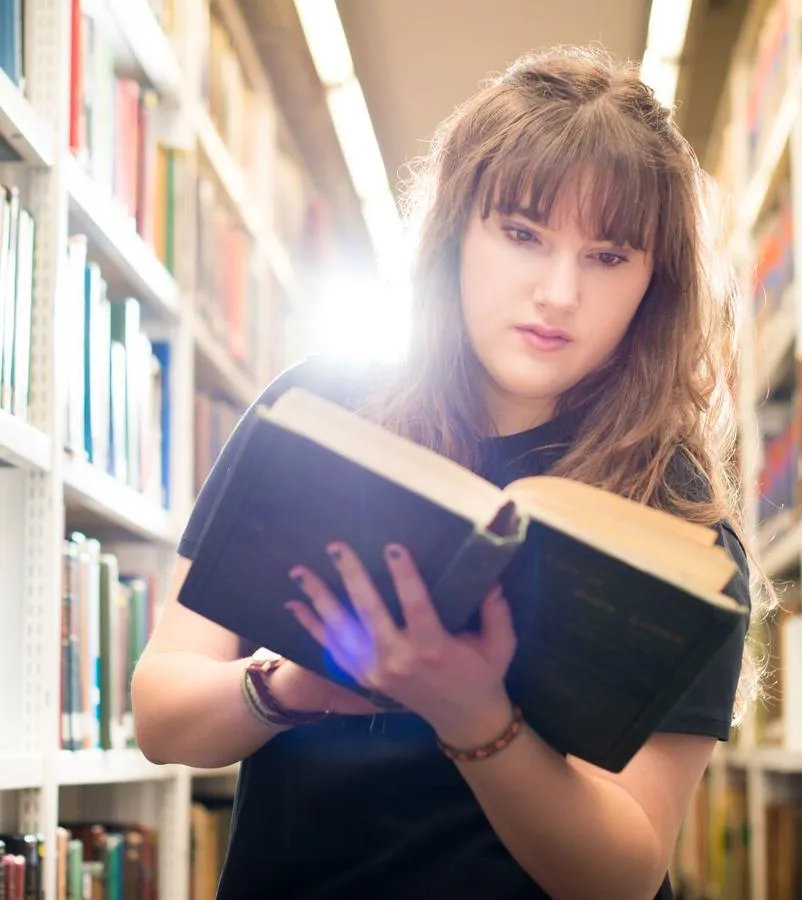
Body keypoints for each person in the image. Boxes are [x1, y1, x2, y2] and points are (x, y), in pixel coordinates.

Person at [132, 44, 768, 900]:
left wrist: (477, 720)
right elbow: (161, 712)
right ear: (456, 234)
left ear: (656, 283)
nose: (557, 292)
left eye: (609, 256)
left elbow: (624, 872)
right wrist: (296, 685)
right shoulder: (322, 414)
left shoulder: (679, 523)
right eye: (521, 234)